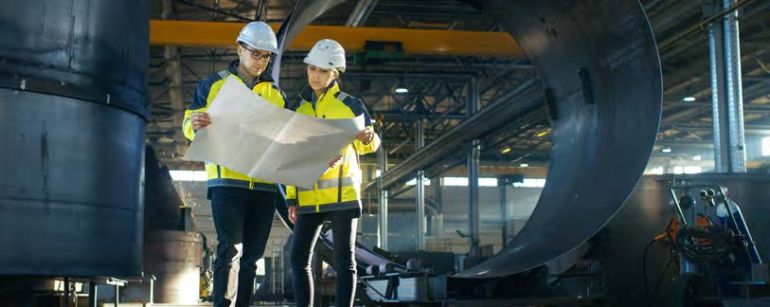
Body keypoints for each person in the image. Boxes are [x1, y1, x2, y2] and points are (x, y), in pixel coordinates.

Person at [182, 21, 287, 307]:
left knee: (252, 257)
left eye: (267, 56)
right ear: (239, 48)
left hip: (264, 186)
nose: (261, 61)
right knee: (231, 251)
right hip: (227, 183)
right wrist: (193, 124)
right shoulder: (213, 85)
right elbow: (190, 124)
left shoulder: (276, 94)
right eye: (256, 53)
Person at [286, 39, 380, 307]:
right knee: (298, 259)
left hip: (342, 196)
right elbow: (292, 157)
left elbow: (373, 143)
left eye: (323, 71)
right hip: (307, 196)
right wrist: (291, 198)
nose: (315, 76)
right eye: (312, 69)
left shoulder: (351, 105)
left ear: (335, 73)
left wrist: (367, 137)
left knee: (343, 260)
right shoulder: (298, 109)